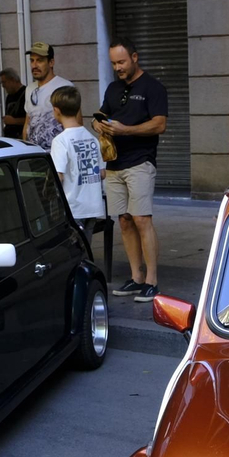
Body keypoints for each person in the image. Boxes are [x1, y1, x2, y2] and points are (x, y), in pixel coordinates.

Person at [96, 38, 167, 303]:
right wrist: (97, 124)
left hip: (141, 162)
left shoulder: (153, 87)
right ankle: (136, 278)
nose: (118, 68)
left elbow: (160, 124)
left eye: (122, 62)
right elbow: (100, 115)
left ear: (135, 57)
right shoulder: (113, 88)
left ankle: (152, 281)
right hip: (114, 164)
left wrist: (127, 130)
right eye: (114, 63)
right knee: (124, 221)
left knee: (141, 219)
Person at [48, 86, 105, 230]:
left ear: (56, 110)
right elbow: (102, 173)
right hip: (93, 206)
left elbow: (59, 177)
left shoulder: (60, 141)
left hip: (73, 207)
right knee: (86, 246)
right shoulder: (92, 139)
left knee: (72, 249)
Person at [23, 42, 73, 149]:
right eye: (32, 60)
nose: (34, 65)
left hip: (57, 156)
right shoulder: (29, 89)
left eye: (40, 60)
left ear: (51, 62)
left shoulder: (65, 87)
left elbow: (75, 126)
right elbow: (28, 122)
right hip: (35, 156)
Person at [0, 67, 26, 139]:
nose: (3, 86)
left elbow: (32, 119)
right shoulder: (9, 97)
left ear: (13, 80)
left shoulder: (27, 93)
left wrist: (14, 121)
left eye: (4, 82)